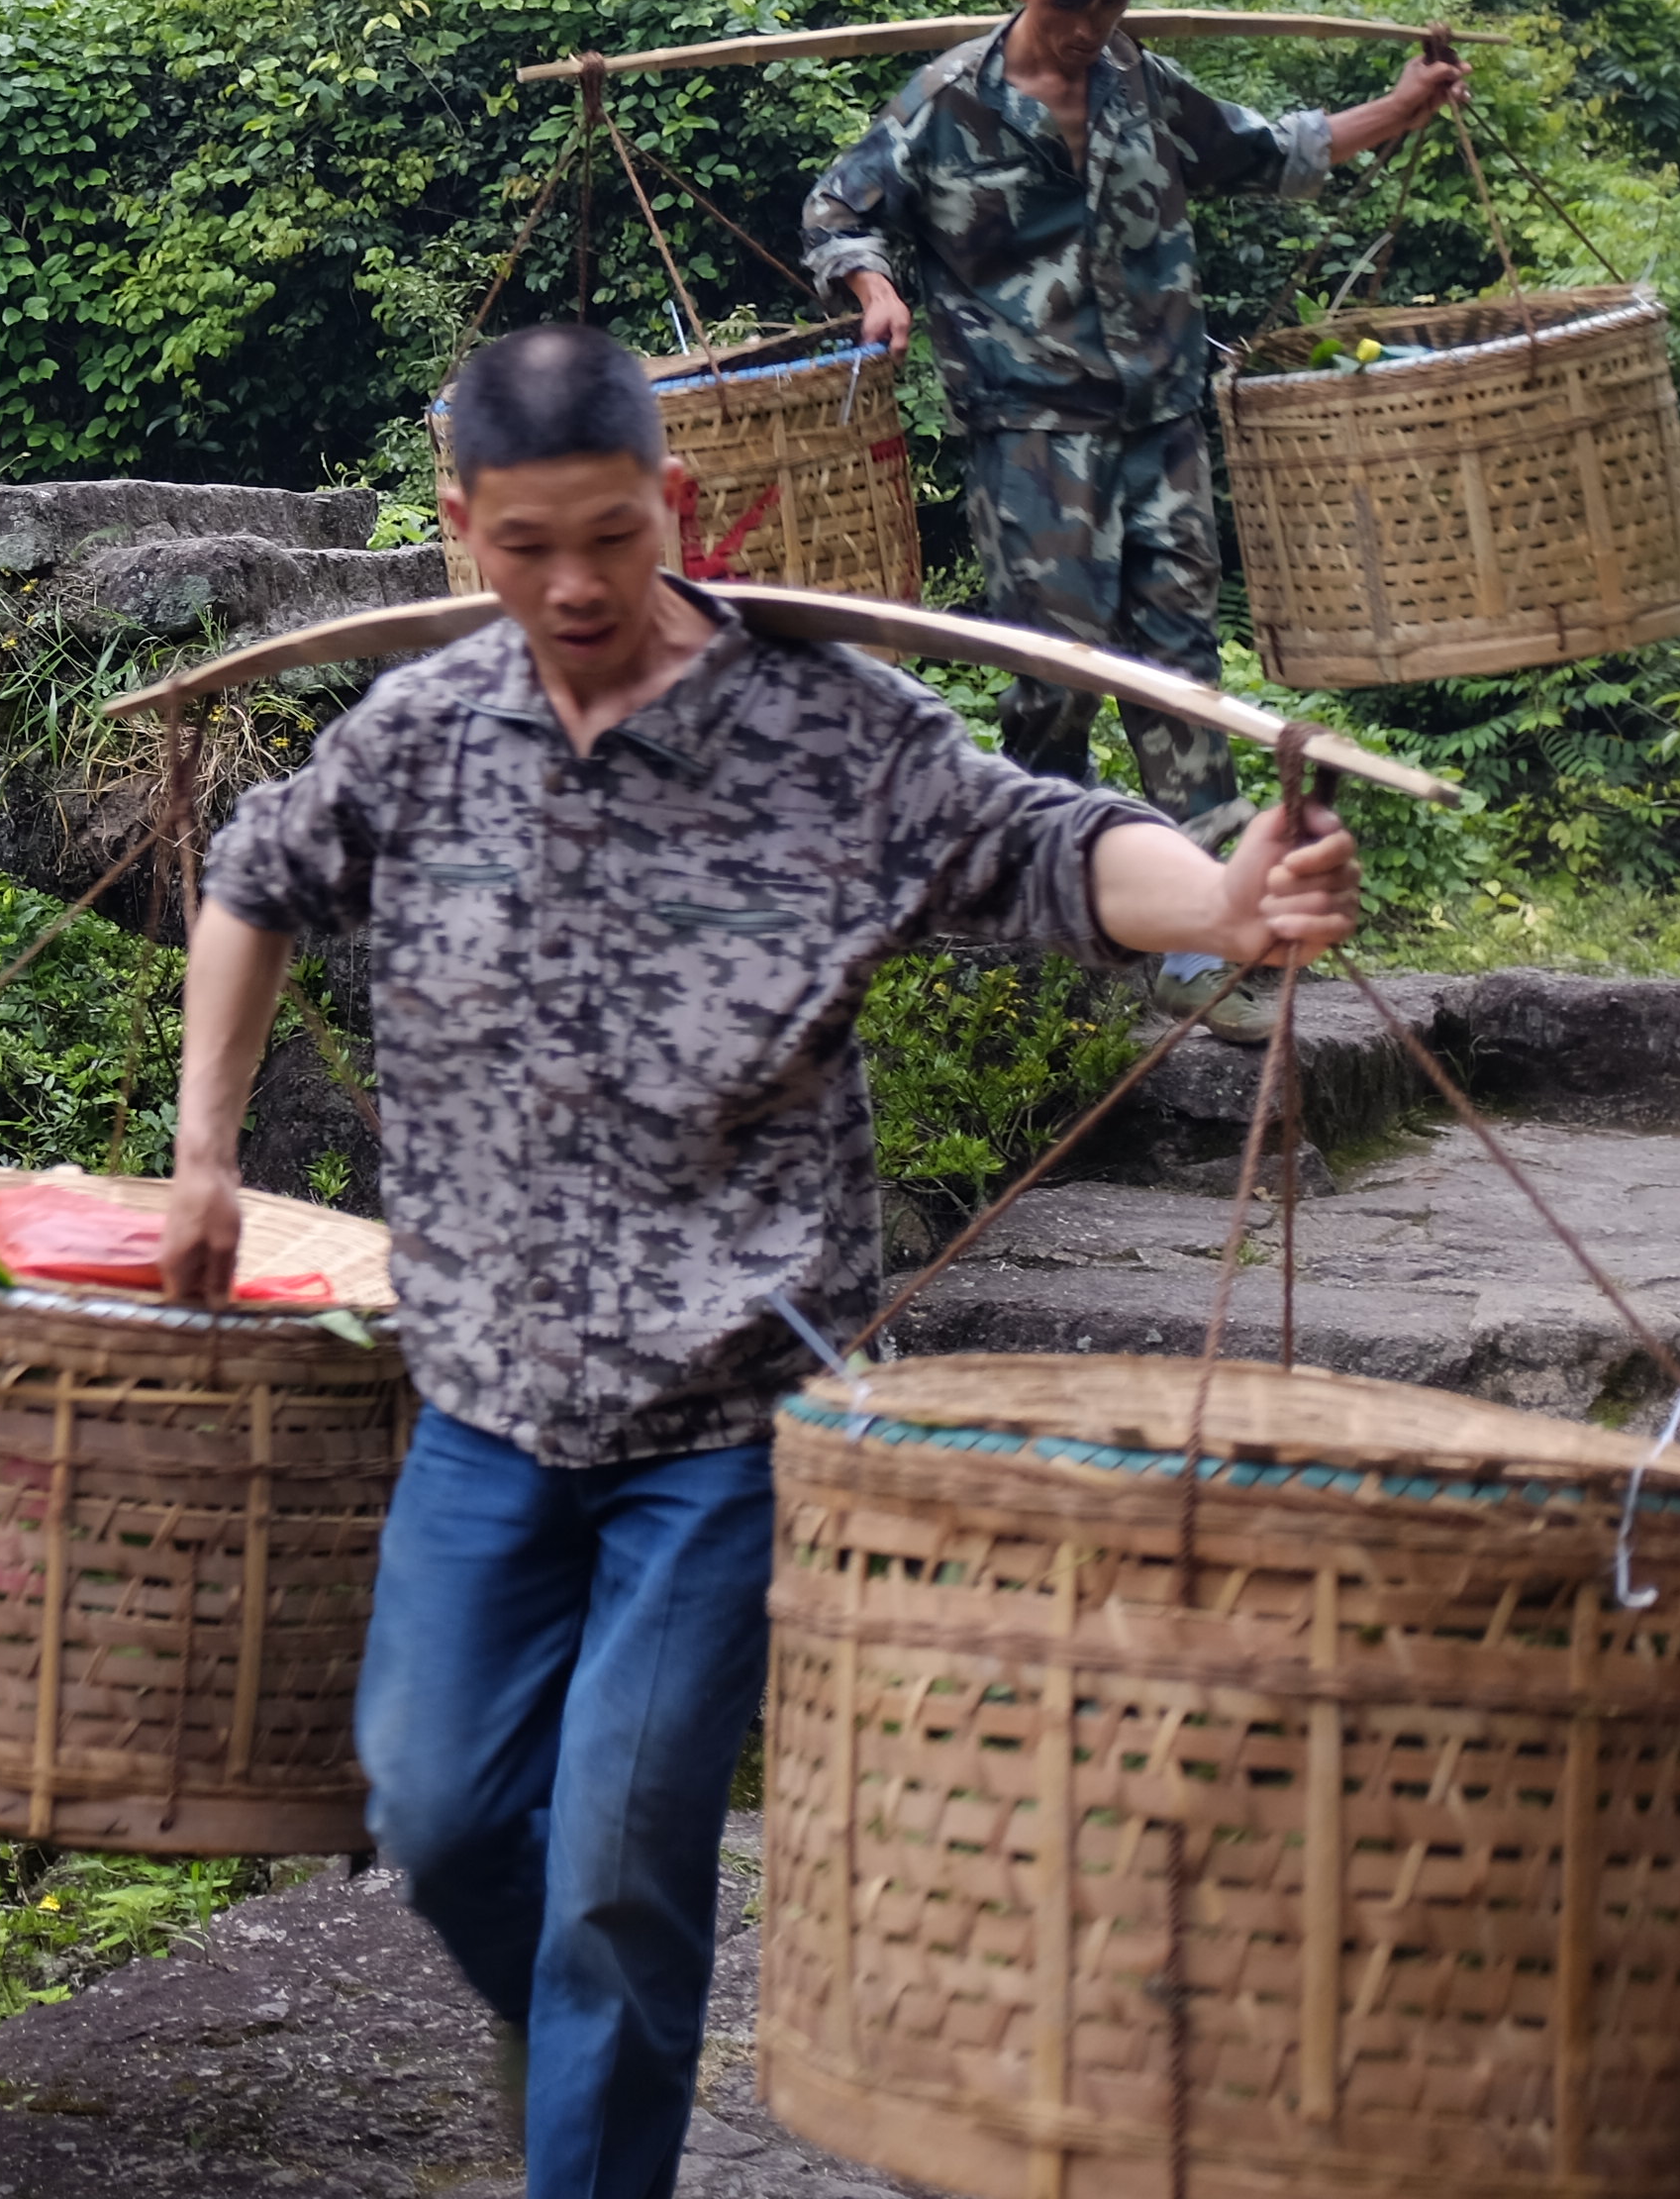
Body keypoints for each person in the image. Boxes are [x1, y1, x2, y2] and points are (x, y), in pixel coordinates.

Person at [152, 320, 1368, 2199]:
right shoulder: (414, 734)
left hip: (722, 1413)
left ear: (682, 508)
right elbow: (253, 873)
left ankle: (593, 2131)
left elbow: (1046, 848)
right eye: (526, 542)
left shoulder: (830, 732)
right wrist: (205, 1153)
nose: (572, 585)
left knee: (626, 1863)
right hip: (482, 1392)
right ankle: (574, 2026)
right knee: (440, 1805)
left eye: (614, 538)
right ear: (461, 517)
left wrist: (1220, 895)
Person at [799, 0, 1459, 1023]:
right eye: (1070, 9)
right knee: (1056, 669)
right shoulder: (945, 104)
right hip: (1030, 432)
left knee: (1178, 661)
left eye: (1111, 4)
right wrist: (871, 289)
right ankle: (1041, 889)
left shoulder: (1141, 83)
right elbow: (838, 209)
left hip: (1162, 424)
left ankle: (1205, 933)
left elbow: (1270, 152)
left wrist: (1401, 108)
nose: (1092, 30)